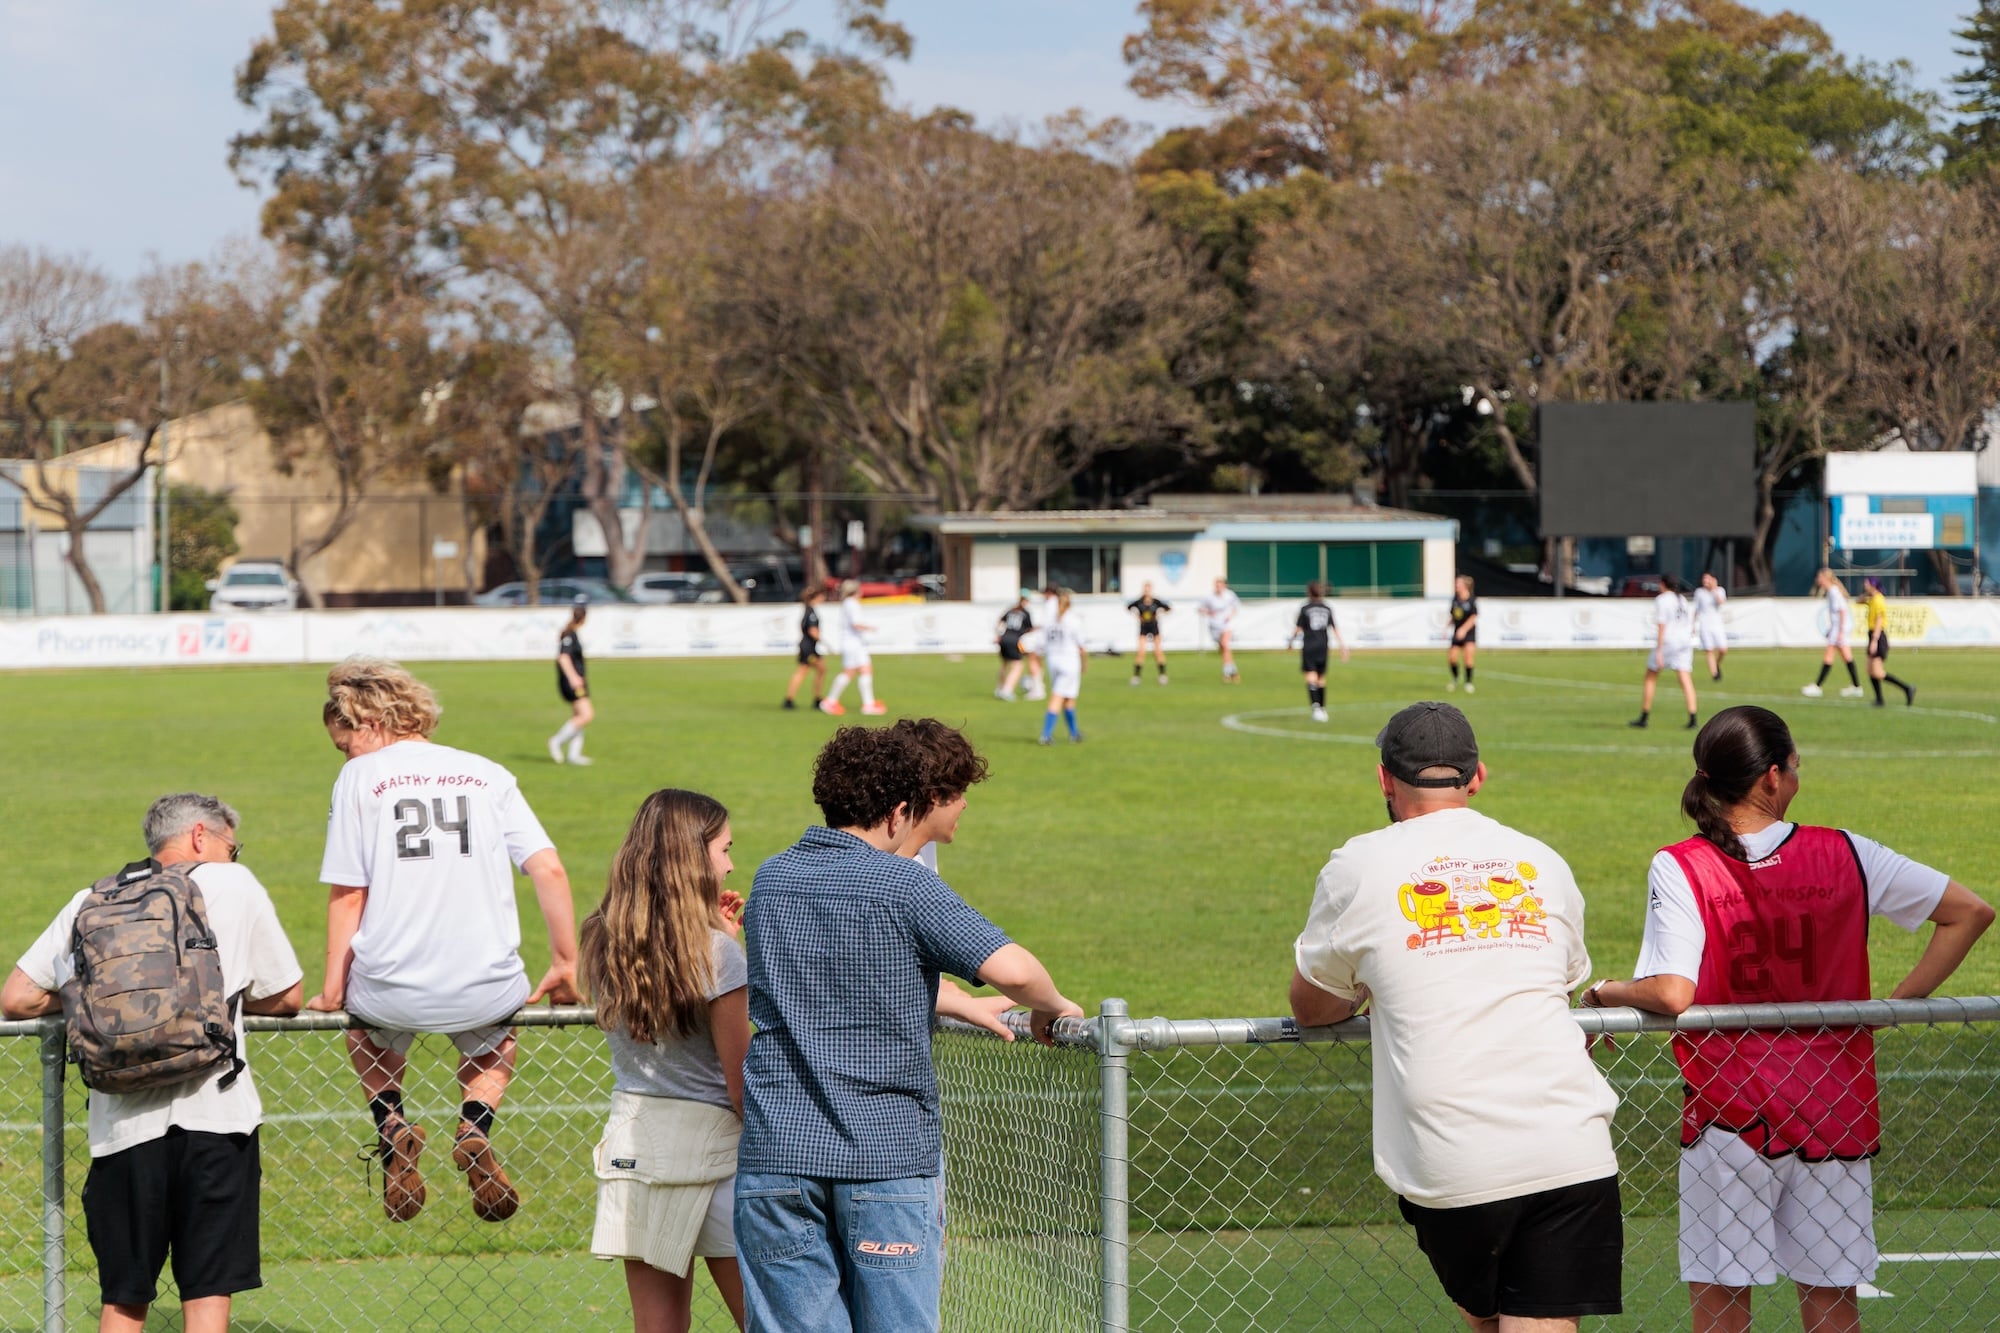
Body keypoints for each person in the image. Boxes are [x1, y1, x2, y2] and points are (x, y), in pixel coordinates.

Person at [1580, 705, 1991, 1333]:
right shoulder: (1845, 851)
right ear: (1773, 777)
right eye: (1796, 764)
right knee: (1832, 1306)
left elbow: (1671, 992)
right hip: (1835, 1108)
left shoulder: (1682, 863)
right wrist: (1890, 1009)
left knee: (1722, 1309)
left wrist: (1604, 991)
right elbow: (1970, 912)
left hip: (1729, 1112)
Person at [734, 724, 1083, 1332]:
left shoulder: (771, 879)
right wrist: (1052, 1006)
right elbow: (1016, 971)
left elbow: (833, 978)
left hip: (778, 1155)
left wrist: (952, 1002)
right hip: (885, 1154)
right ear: (899, 812)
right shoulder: (905, 885)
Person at [1291, 702, 1622, 1332]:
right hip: (1570, 1139)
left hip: (1454, 1152)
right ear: (1478, 777)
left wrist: (1366, 986)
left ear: (1384, 779)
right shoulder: (1541, 860)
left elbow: (1313, 1006)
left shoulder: (1358, 865)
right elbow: (1562, 978)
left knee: (1486, 1318)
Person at [2, 794, 304, 1333]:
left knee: (123, 1298)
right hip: (217, 1116)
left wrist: (95, 1006)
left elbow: (17, 998)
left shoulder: (92, 899)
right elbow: (287, 996)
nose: (233, 856)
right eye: (231, 846)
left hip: (122, 1127)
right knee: (207, 1292)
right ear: (200, 836)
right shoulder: (233, 884)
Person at [315, 656, 582, 1224]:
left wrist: (332, 988)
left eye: (344, 744)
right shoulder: (488, 773)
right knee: (494, 1042)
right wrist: (564, 961)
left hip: (390, 990)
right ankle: (475, 1126)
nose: (347, 756)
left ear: (368, 722)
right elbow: (549, 869)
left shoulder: (359, 778)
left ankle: (392, 1125)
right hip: (484, 985)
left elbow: (349, 893)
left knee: (366, 1036)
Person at [581, 789, 752, 1333]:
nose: (730, 864)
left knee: (657, 1326)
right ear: (693, 856)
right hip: (719, 1160)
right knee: (769, 1323)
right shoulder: (718, 955)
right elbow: (742, 1085)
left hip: (635, 1148)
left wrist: (720, 939)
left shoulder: (603, 937)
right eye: (724, 849)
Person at [889, 717, 1029, 1038]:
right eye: (959, 791)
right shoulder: (900, 873)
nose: (965, 804)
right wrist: (1052, 1004)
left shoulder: (921, 848)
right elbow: (1014, 972)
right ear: (934, 796)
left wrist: (937, 990)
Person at [1633, 573, 1698, 731]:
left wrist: (1659, 650)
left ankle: (1644, 717)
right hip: (1684, 641)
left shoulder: (1662, 600)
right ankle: (1693, 718)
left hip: (1669, 641)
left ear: (1663, 584)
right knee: (1685, 678)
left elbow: (1662, 625)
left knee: (1650, 676)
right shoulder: (1681, 599)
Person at [819, 579, 888, 717]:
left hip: (856, 643)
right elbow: (856, 624)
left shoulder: (849, 603)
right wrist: (871, 628)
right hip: (853, 643)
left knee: (865, 669)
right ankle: (830, 701)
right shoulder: (852, 604)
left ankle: (868, 703)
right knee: (849, 672)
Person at [1289, 582, 1348, 722]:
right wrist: (1343, 647)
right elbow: (1334, 628)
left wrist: (1291, 641)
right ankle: (1323, 709)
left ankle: (1316, 709)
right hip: (1323, 645)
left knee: (1311, 676)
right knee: (1321, 678)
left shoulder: (1305, 608)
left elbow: (1299, 628)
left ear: (1309, 592)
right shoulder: (1326, 608)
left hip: (1309, 645)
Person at [1802, 569, 1863, 699]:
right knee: (1847, 657)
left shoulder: (1834, 592)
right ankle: (1856, 687)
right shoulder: (1831, 591)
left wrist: (1839, 631)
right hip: (1838, 628)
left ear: (1825, 578)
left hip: (1839, 629)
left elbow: (1842, 612)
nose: (1817, 580)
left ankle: (1817, 686)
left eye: (1819, 577)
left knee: (1829, 656)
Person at [549, 597, 594, 765]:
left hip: (576, 681)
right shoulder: (569, 635)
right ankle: (556, 741)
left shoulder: (572, 633)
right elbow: (563, 658)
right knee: (586, 715)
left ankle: (573, 755)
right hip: (572, 682)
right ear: (584, 617)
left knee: (578, 716)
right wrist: (574, 677)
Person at [1038, 587, 1086, 746]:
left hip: (1053, 659)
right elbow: (1081, 645)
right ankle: (1045, 735)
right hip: (1069, 661)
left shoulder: (1050, 619)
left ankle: (1074, 733)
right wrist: (1084, 664)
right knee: (1058, 697)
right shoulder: (1073, 619)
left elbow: (1042, 641)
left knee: (1068, 697)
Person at [1861, 576, 1916, 708]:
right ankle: (1879, 700)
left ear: (1873, 585)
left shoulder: (1878, 600)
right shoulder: (1872, 599)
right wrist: (1867, 595)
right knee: (1870, 670)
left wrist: (1874, 641)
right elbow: (1858, 601)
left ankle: (1907, 688)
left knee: (1878, 672)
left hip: (1878, 636)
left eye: (1867, 583)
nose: (1864, 585)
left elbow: (1879, 621)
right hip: (1873, 635)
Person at [782, 587, 828, 712]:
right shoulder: (811, 612)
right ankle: (792, 699)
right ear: (816, 597)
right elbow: (812, 631)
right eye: (822, 596)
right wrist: (823, 641)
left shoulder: (807, 610)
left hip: (807, 647)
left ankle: (816, 698)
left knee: (821, 669)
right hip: (809, 648)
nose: (823, 598)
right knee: (805, 671)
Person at [1200, 576, 1243, 683]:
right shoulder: (1210, 597)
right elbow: (1200, 608)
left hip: (1227, 624)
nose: (1218, 587)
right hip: (1214, 625)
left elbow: (1236, 607)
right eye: (1217, 585)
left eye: (1220, 585)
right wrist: (1208, 612)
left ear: (1224, 585)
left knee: (1225, 644)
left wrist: (1231, 615)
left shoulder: (1230, 595)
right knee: (1224, 650)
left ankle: (1226, 673)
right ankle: (1234, 671)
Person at [993, 592, 1035, 701]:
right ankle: (1007, 690)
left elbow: (1000, 621)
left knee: (1005, 664)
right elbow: (1029, 628)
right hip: (1014, 640)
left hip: (1003, 638)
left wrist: (998, 634)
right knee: (1018, 666)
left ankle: (999, 689)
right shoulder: (1025, 613)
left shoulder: (1011, 610)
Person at [1127, 582, 1171, 686]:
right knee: (1141, 652)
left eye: (1148, 589)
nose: (1147, 591)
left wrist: (1159, 614)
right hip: (1143, 628)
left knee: (1157, 651)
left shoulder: (1156, 602)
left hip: (1154, 627)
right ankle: (1136, 676)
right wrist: (1138, 617)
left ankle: (1162, 675)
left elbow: (1168, 608)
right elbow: (1128, 607)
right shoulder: (1139, 602)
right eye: (1145, 589)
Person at [1694, 573, 1728, 682]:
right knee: (1709, 650)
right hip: (1705, 625)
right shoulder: (1699, 592)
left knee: (1723, 649)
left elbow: (1721, 602)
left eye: (1708, 579)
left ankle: (1716, 665)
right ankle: (1714, 674)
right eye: (1704, 579)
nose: (1705, 581)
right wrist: (1693, 624)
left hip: (1717, 625)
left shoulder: (1720, 590)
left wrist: (1713, 590)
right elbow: (1697, 609)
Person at [1447, 575, 1478, 694]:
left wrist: (1464, 629)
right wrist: (1446, 627)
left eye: (1458, 583)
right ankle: (1455, 678)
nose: (1456, 585)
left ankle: (1468, 682)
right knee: (1452, 658)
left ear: (1465, 586)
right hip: (1457, 632)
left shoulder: (1471, 600)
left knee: (1468, 658)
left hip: (1469, 632)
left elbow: (1473, 617)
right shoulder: (1455, 599)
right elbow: (1453, 615)